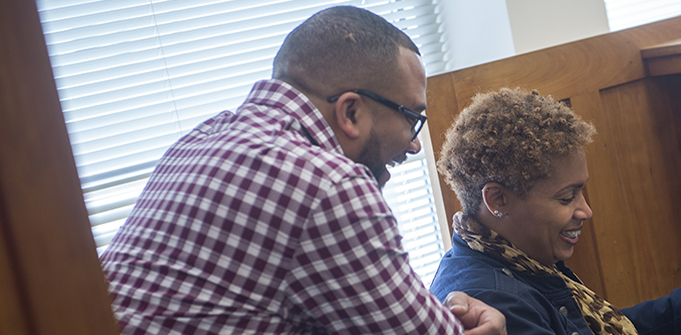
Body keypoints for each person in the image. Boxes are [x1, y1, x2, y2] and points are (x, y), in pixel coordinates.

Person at [99, 6, 505, 335]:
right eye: (411, 118)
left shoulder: (201, 139)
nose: (415, 143)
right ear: (350, 111)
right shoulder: (329, 185)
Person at [430, 88, 681, 335]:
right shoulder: (492, 304)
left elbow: (610, 326)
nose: (585, 211)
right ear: (497, 200)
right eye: (566, 198)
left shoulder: (513, 255)